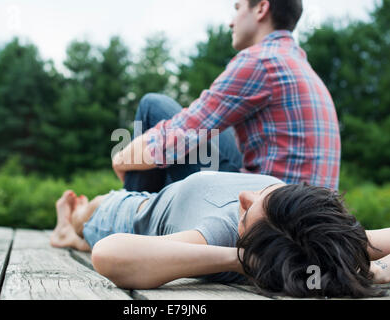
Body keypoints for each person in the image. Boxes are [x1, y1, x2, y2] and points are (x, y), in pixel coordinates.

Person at [112, 0, 341, 194]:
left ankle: (127, 228)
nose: (231, 21)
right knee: (220, 131)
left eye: (238, 7)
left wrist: (121, 159)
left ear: (261, 9)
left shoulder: (260, 61)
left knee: (153, 106)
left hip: (269, 214)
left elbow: (178, 134)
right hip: (308, 213)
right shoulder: (301, 66)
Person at [50, 172, 390, 298]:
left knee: (92, 208)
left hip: (127, 213)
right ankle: (73, 233)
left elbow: (109, 255)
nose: (246, 195)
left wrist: (242, 260)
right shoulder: (311, 224)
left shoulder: (220, 237)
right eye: (269, 192)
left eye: (245, 215)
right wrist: (358, 254)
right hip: (170, 192)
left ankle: (70, 228)